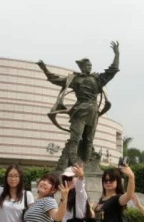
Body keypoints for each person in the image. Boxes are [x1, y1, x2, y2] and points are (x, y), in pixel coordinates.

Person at [36, 41, 120, 169]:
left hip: (93, 111)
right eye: (87, 65)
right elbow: (55, 79)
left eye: (90, 65)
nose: (89, 67)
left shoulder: (97, 79)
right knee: (75, 138)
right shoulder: (75, 79)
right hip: (80, 110)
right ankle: (74, 163)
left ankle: (86, 165)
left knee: (89, 140)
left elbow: (112, 71)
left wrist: (117, 54)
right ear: (82, 67)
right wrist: (44, 69)